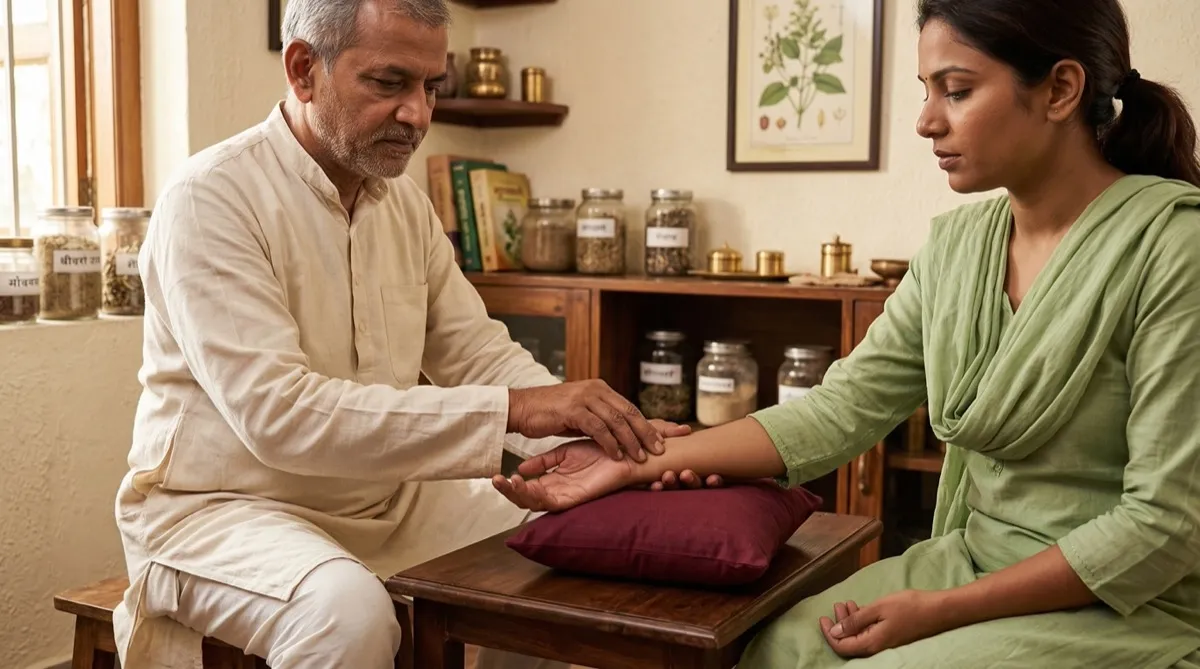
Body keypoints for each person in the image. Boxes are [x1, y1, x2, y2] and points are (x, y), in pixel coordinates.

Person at [493, 0, 1200, 666]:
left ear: (1060, 90)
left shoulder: (1175, 249)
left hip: (1121, 598)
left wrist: (945, 609)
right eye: (925, 90)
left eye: (955, 91)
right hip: (972, 557)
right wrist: (632, 462)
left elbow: (1163, 524)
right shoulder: (958, 249)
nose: (926, 121)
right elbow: (839, 410)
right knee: (779, 648)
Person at [110, 1, 707, 667]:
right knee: (345, 613)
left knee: (572, 536)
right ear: (304, 70)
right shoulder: (211, 197)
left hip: (387, 500)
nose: (419, 114)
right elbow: (278, 414)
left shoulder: (403, 204)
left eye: (431, 87)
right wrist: (522, 409)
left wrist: (598, 440)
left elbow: (475, 353)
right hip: (220, 512)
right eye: (390, 83)